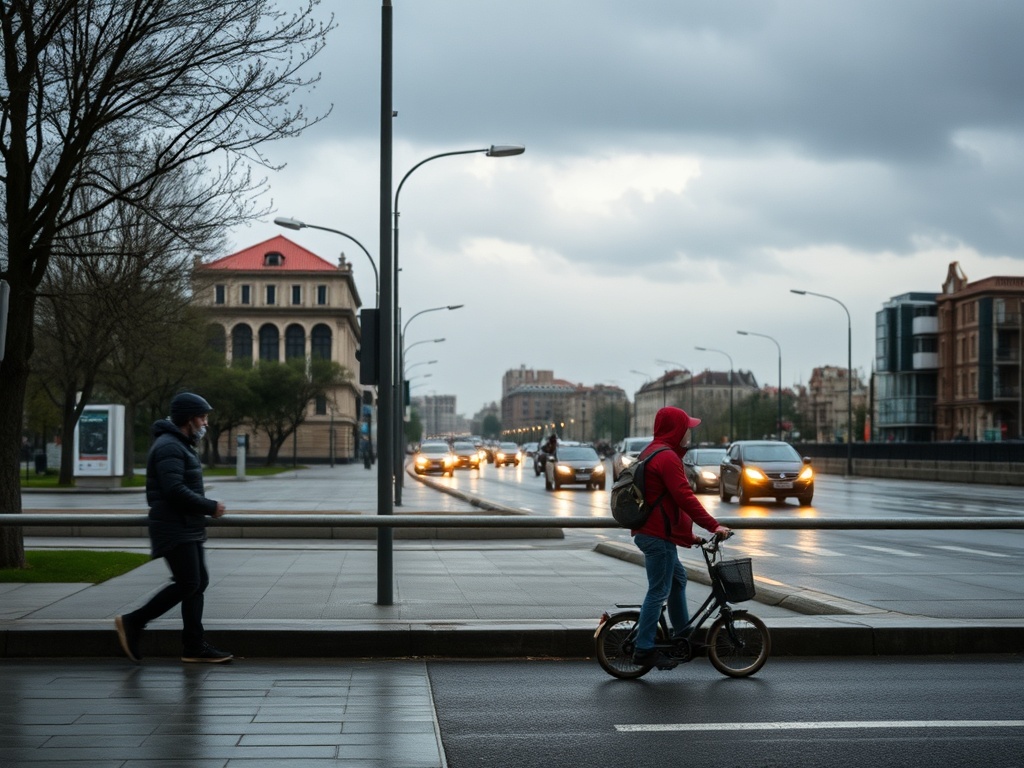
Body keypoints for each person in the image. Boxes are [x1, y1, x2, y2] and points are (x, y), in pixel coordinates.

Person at [115, 392, 232, 664]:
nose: (205, 423)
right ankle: (133, 622)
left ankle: (193, 646)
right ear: (188, 419)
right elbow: (174, 490)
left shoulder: (179, 444)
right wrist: (209, 506)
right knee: (189, 582)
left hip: (186, 526)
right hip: (173, 526)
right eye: (202, 417)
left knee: (197, 583)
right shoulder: (169, 446)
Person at [630, 406, 731, 670]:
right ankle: (644, 649)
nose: (689, 433)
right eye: (686, 428)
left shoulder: (650, 451)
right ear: (676, 429)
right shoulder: (666, 458)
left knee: (678, 580)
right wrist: (713, 526)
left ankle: (682, 636)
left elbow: (666, 505)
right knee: (658, 590)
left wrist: (690, 536)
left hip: (654, 533)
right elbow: (684, 498)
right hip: (656, 536)